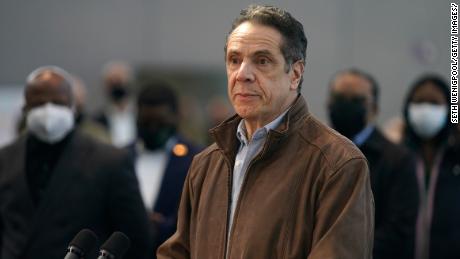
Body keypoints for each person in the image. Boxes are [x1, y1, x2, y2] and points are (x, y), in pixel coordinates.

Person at [158, 5, 374, 259]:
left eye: (262, 61)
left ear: (295, 74)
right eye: (234, 60)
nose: (242, 74)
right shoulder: (206, 164)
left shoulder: (338, 164)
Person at [0, 66, 151, 259]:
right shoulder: (5, 160)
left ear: (74, 106)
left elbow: (136, 238)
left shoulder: (111, 161)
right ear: (24, 108)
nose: (48, 110)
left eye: (57, 102)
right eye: (39, 103)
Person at [327, 69, 419, 259]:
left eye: (356, 101)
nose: (346, 106)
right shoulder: (316, 152)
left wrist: (346, 253)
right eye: (340, 98)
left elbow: (399, 229)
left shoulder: (398, 160)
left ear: (374, 109)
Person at [130, 82, 201, 258]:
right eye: (146, 122)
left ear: (176, 117)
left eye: (160, 122)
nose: (153, 129)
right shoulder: (120, 156)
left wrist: (162, 225)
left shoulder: (197, 159)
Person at [401, 74, 460, 259]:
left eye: (434, 103)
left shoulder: (455, 158)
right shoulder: (397, 157)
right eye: (419, 102)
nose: (426, 109)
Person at [93, 61, 136, 147]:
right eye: (112, 82)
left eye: (120, 81)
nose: (117, 86)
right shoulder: (97, 121)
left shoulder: (140, 117)